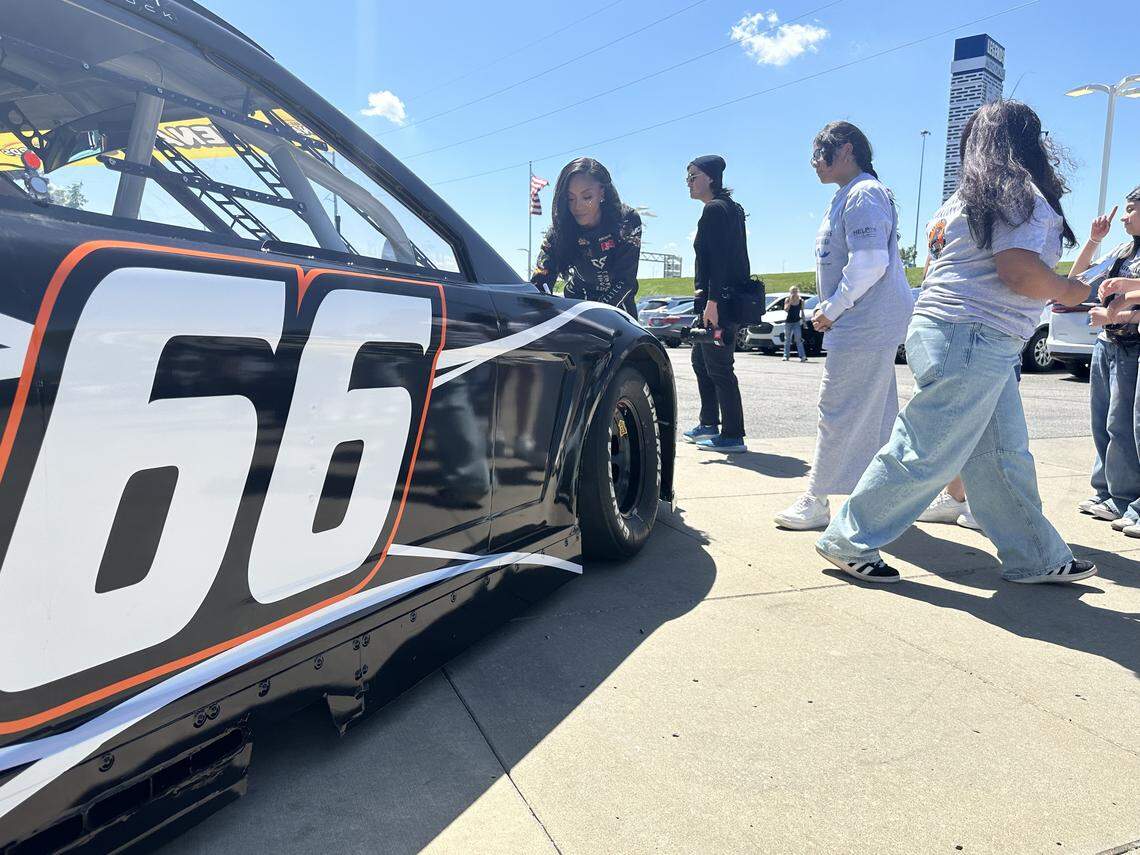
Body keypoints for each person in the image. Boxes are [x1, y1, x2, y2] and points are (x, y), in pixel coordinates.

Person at [815, 100, 1098, 585]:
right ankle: (850, 537)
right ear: (1027, 142)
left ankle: (1035, 554)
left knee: (1001, 452)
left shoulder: (959, 201)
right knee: (927, 447)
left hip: (952, 331)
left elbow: (940, 272)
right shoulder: (1015, 191)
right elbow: (1017, 271)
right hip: (975, 335)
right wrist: (1074, 291)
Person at [774, 122, 913, 529]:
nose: (814, 162)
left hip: (864, 322)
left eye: (820, 153)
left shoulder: (863, 194)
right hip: (866, 321)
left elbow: (871, 262)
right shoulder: (847, 196)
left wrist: (832, 308)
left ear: (846, 150)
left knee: (837, 409)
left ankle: (817, 500)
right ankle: (884, 499)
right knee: (877, 416)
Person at [1076, 188, 1140, 532]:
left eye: (1131, 210)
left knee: (1125, 426)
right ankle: (1107, 493)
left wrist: (1119, 308)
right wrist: (1092, 240)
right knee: (1102, 421)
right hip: (1106, 345)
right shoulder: (1121, 251)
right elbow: (1078, 278)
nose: (1125, 217)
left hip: (1133, 348)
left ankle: (1126, 497)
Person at [682, 155, 751, 454]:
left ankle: (733, 434)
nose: (688, 181)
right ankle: (709, 422)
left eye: (693, 175)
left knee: (720, 366)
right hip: (721, 300)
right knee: (701, 361)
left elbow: (719, 262)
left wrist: (712, 302)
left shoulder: (715, 210)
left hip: (718, 303)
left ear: (710, 177)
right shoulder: (729, 209)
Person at [531, 157, 642, 315]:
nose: (578, 206)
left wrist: (594, 314)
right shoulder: (559, 230)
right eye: (570, 198)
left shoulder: (626, 221)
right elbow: (540, 281)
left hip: (618, 312)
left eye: (587, 197)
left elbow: (626, 282)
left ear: (602, 192)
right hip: (576, 308)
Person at [783, 286, 807, 361]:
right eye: (792, 291)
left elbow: (802, 312)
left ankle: (802, 356)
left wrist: (804, 322)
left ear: (798, 292)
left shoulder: (801, 301)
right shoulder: (787, 299)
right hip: (788, 322)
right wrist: (790, 302)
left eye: (795, 291)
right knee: (787, 339)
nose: (794, 293)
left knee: (798, 339)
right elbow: (786, 310)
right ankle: (786, 356)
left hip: (796, 321)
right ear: (790, 292)